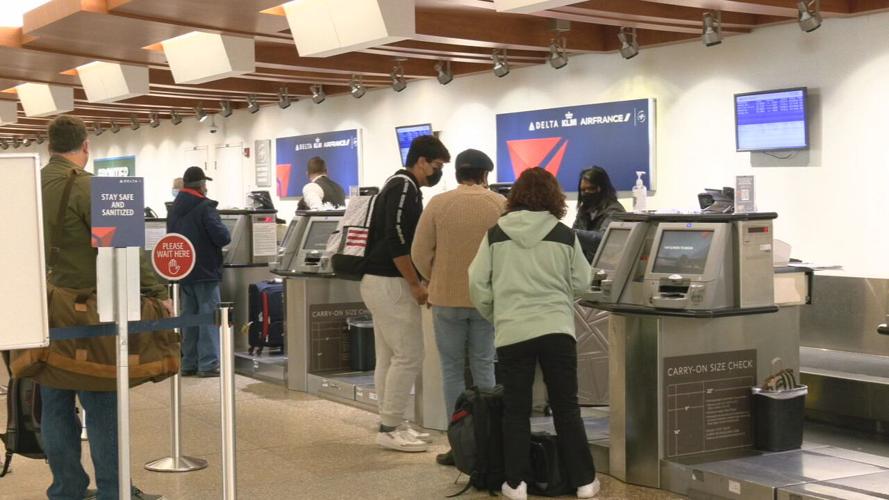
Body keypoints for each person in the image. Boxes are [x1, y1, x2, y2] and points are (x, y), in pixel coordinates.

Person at [39, 116, 167, 500]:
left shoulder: (27, 185)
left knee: (54, 404)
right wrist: (156, 291)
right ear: (86, 144)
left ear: (49, 145)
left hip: (43, 310)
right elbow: (125, 249)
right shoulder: (93, 188)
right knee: (102, 402)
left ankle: (66, 489)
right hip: (91, 311)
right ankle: (114, 490)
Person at [469, 167, 599, 500]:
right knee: (566, 407)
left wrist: (498, 315)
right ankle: (584, 482)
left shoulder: (496, 234)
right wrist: (560, 301)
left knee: (516, 409)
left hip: (513, 331)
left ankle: (516, 483)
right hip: (557, 329)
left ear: (516, 196)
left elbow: (477, 282)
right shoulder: (564, 234)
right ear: (554, 196)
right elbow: (584, 282)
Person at [411, 149, 505, 465]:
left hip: (445, 299)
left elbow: (419, 250)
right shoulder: (499, 205)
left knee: (451, 369)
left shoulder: (438, 203)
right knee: (484, 365)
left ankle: (459, 444)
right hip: (485, 300)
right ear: (485, 175)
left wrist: (433, 276)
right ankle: (489, 441)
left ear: (457, 174)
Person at [361, 135, 450, 452]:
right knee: (410, 354)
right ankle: (389, 428)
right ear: (421, 161)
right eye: (436, 166)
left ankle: (392, 420)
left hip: (381, 280)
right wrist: (415, 283)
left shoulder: (398, 185)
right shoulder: (403, 187)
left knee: (388, 356)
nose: (436, 173)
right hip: (390, 282)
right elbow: (398, 237)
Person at [167, 166, 231, 377]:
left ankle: (188, 362)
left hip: (183, 270)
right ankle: (208, 363)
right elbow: (222, 237)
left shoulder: (174, 208)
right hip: (205, 269)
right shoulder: (205, 207)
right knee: (208, 316)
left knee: (189, 317)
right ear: (202, 185)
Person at [573, 166, 625, 262]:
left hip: (605, 265)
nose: (586, 193)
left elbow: (604, 239)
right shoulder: (584, 210)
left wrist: (570, 233)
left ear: (602, 188)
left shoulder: (615, 210)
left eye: (591, 189)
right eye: (583, 190)